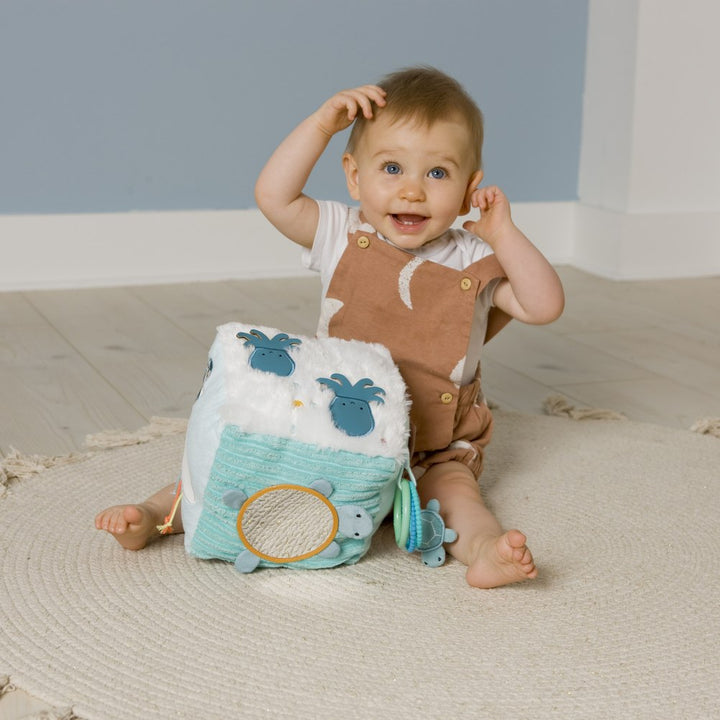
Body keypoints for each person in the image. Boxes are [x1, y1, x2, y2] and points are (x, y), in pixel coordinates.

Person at [96, 67, 564, 588]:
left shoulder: (473, 256)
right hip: (333, 428)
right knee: (249, 470)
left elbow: (543, 305)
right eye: (392, 168)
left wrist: (504, 233)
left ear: (468, 190)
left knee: (455, 497)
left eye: (437, 173)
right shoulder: (342, 232)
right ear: (354, 176)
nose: (412, 190)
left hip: (432, 446)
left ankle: (483, 550)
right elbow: (274, 196)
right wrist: (321, 126)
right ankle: (158, 514)